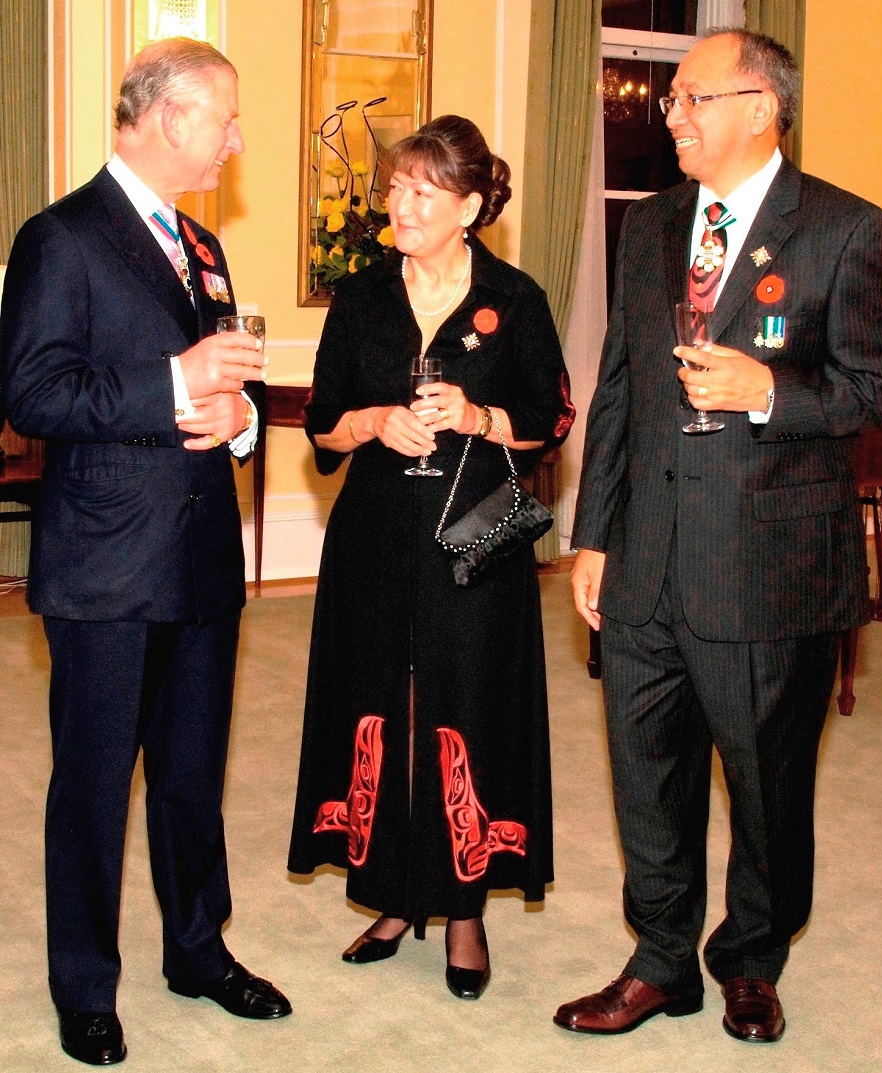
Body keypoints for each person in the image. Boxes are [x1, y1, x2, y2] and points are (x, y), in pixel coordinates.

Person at [555, 28, 882, 1043]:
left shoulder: (845, 227)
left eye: (692, 98)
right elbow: (620, 384)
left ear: (761, 106)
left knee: (767, 783)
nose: (670, 114)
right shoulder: (654, 225)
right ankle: (661, 959)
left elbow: (880, 386)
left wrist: (770, 394)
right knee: (645, 771)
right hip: (646, 558)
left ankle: (751, 956)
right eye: (671, 100)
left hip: (769, 564)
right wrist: (593, 535)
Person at [0, 37, 291, 1066]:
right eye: (227, 119)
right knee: (90, 784)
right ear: (171, 117)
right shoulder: (61, 237)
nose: (238, 139)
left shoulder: (200, 244)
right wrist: (175, 383)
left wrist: (241, 422)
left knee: (191, 779)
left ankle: (198, 950)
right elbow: (31, 394)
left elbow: (220, 380)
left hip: (200, 558)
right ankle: (85, 984)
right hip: (105, 568)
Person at [288, 115, 574, 1000]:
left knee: (464, 704)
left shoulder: (515, 300)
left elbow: (553, 418)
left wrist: (480, 418)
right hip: (373, 537)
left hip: (476, 539)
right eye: (394, 189)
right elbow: (322, 425)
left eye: (422, 192)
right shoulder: (363, 298)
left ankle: (462, 910)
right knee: (379, 699)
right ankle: (387, 895)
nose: (399, 205)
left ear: (471, 205)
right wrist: (376, 422)